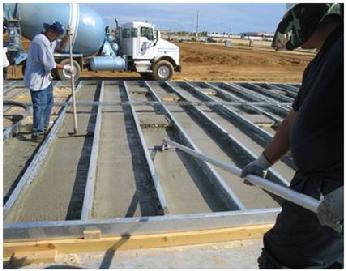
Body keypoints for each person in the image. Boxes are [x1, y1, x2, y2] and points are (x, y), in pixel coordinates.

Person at [241, 3, 343, 268]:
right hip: (309, 186)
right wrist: (263, 161)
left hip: (334, 190)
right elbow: (291, 121)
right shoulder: (321, 60)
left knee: (291, 257)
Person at [24, 21, 71, 142]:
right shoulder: (41, 41)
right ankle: (37, 132)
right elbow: (50, 64)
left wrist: (66, 38)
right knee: (40, 106)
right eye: (56, 35)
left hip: (45, 79)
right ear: (50, 32)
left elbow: (60, 47)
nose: (57, 38)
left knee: (48, 103)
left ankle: (44, 127)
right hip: (37, 79)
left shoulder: (50, 39)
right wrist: (65, 67)